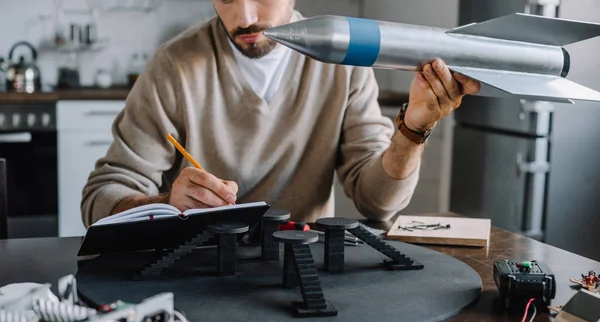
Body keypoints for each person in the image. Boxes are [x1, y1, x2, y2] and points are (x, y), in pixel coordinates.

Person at [80, 0, 480, 228]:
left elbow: (377, 203)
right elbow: (101, 197)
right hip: (196, 272)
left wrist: (411, 132)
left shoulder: (344, 60)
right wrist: (167, 204)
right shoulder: (175, 66)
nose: (245, 17)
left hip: (308, 266)